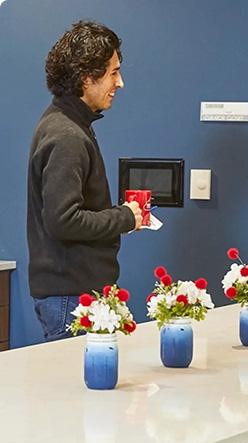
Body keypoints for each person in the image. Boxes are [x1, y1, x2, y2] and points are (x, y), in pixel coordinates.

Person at [27, 21, 143, 342]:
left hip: (75, 293)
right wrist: (125, 217)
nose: (120, 83)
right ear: (85, 78)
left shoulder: (68, 125)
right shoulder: (67, 135)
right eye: (112, 73)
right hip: (71, 297)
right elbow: (63, 221)